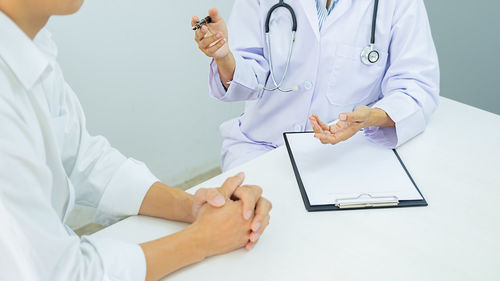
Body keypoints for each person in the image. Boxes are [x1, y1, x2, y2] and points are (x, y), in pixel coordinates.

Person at [0, 1, 272, 281]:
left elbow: (85, 160)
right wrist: (203, 238)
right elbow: (62, 274)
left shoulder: (33, 45)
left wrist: (192, 206)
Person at [193, 0, 440, 171]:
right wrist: (224, 56)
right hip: (260, 147)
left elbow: (416, 85)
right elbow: (249, 79)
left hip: (346, 153)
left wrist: (370, 117)